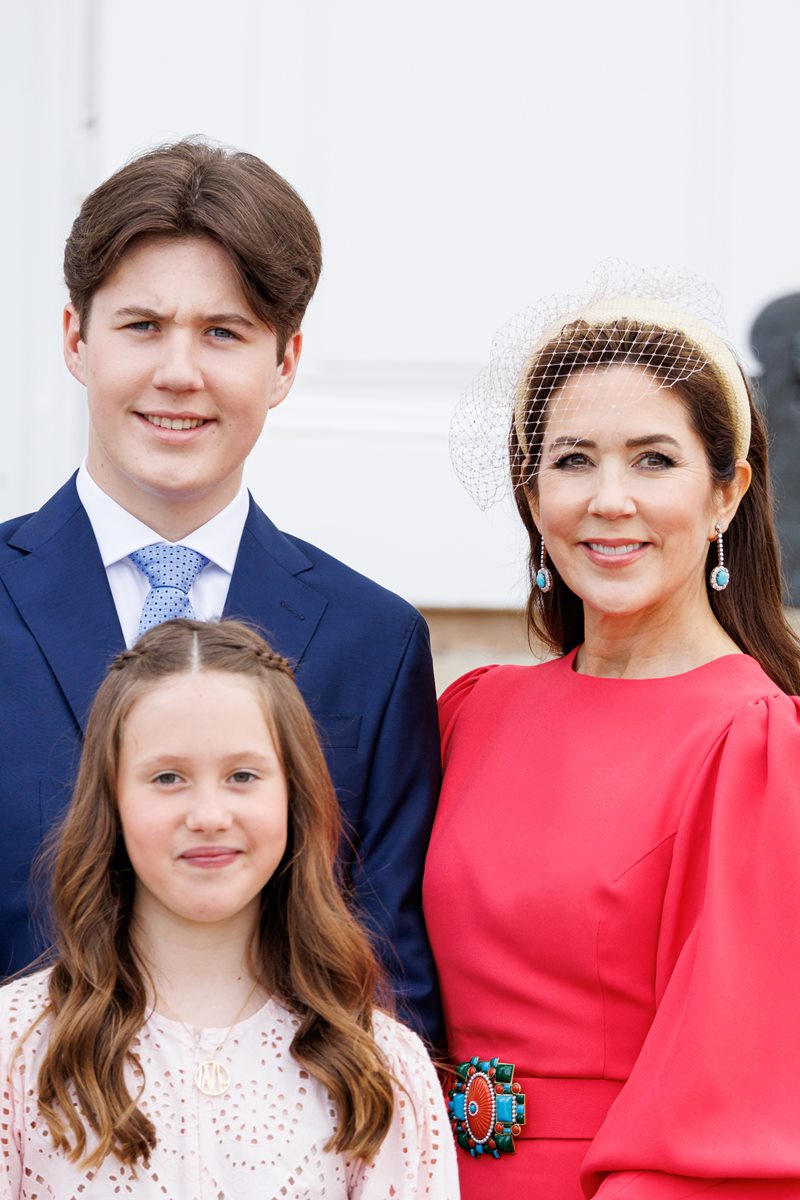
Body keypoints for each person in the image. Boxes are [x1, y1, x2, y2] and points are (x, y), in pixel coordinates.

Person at [0, 139, 441, 1045]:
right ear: (76, 340)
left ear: (284, 363)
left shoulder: (375, 641)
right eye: (142, 326)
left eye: (223, 332)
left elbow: (389, 973)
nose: (179, 373)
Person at [424, 272, 800, 1197]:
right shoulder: (474, 710)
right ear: (532, 488)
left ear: (727, 495)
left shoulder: (756, 742)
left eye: (654, 460)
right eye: (573, 459)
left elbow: (732, 1091)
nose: (609, 499)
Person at [0, 619, 458, 1197]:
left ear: (294, 794)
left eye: (243, 775)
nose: (209, 815)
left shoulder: (385, 1067)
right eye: (167, 777)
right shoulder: (14, 1047)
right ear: (111, 801)